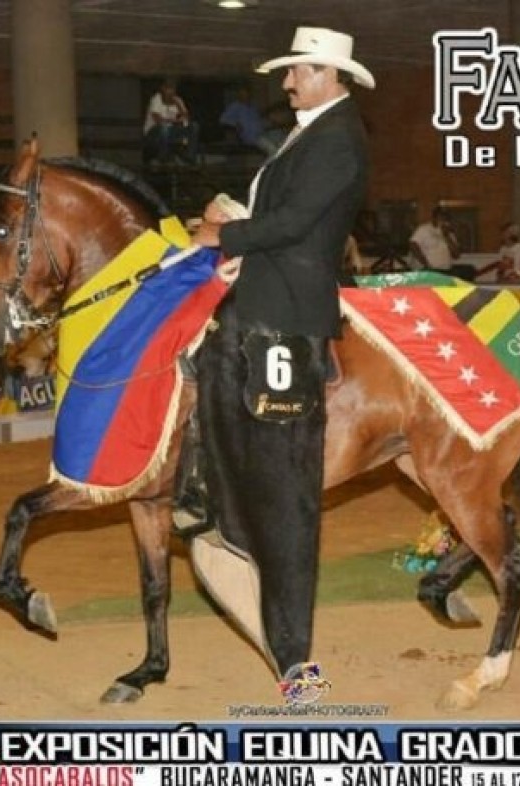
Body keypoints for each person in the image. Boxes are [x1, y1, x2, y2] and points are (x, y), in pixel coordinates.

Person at [184, 26, 374, 685]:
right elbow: (286, 220)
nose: (287, 82)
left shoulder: (338, 137)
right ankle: (209, 504)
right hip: (260, 310)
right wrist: (234, 222)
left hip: (287, 323)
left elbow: (294, 225)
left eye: (296, 71)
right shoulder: (313, 131)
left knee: (288, 487)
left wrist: (222, 232)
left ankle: (295, 655)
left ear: (327, 73)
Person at [143, 78, 200, 166]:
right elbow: (157, 119)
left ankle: (189, 158)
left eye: (173, 89)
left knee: (194, 126)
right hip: (154, 133)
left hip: (170, 132)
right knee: (164, 128)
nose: (171, 92)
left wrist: (179, 106)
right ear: (163, 89)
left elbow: (186, 118)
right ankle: (163, 158)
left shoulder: (178, 100)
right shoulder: (156, 99)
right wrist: (175, 121)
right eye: (168, 89)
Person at [219, 85, 287, 156]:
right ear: (239, 95)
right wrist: (235, 124)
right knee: (271, 147)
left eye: (246, 93)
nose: (245, 95)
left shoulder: (252, 107)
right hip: (252, 137)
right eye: (242, 93)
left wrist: (269, 123)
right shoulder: (235, 106)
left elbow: (257, 121)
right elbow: (223, 120)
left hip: (263, 132)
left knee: (280, 136)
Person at [409, 205, 461, 272]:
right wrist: (425, 263)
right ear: (434, 217)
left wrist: (446, 236)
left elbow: (456, 255)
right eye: (441, 216)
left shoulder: (449, 233)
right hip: (426, 270)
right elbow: (413, 246)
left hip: (445, 270)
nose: (443, 219)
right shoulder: (424, 229)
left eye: (446, 217)